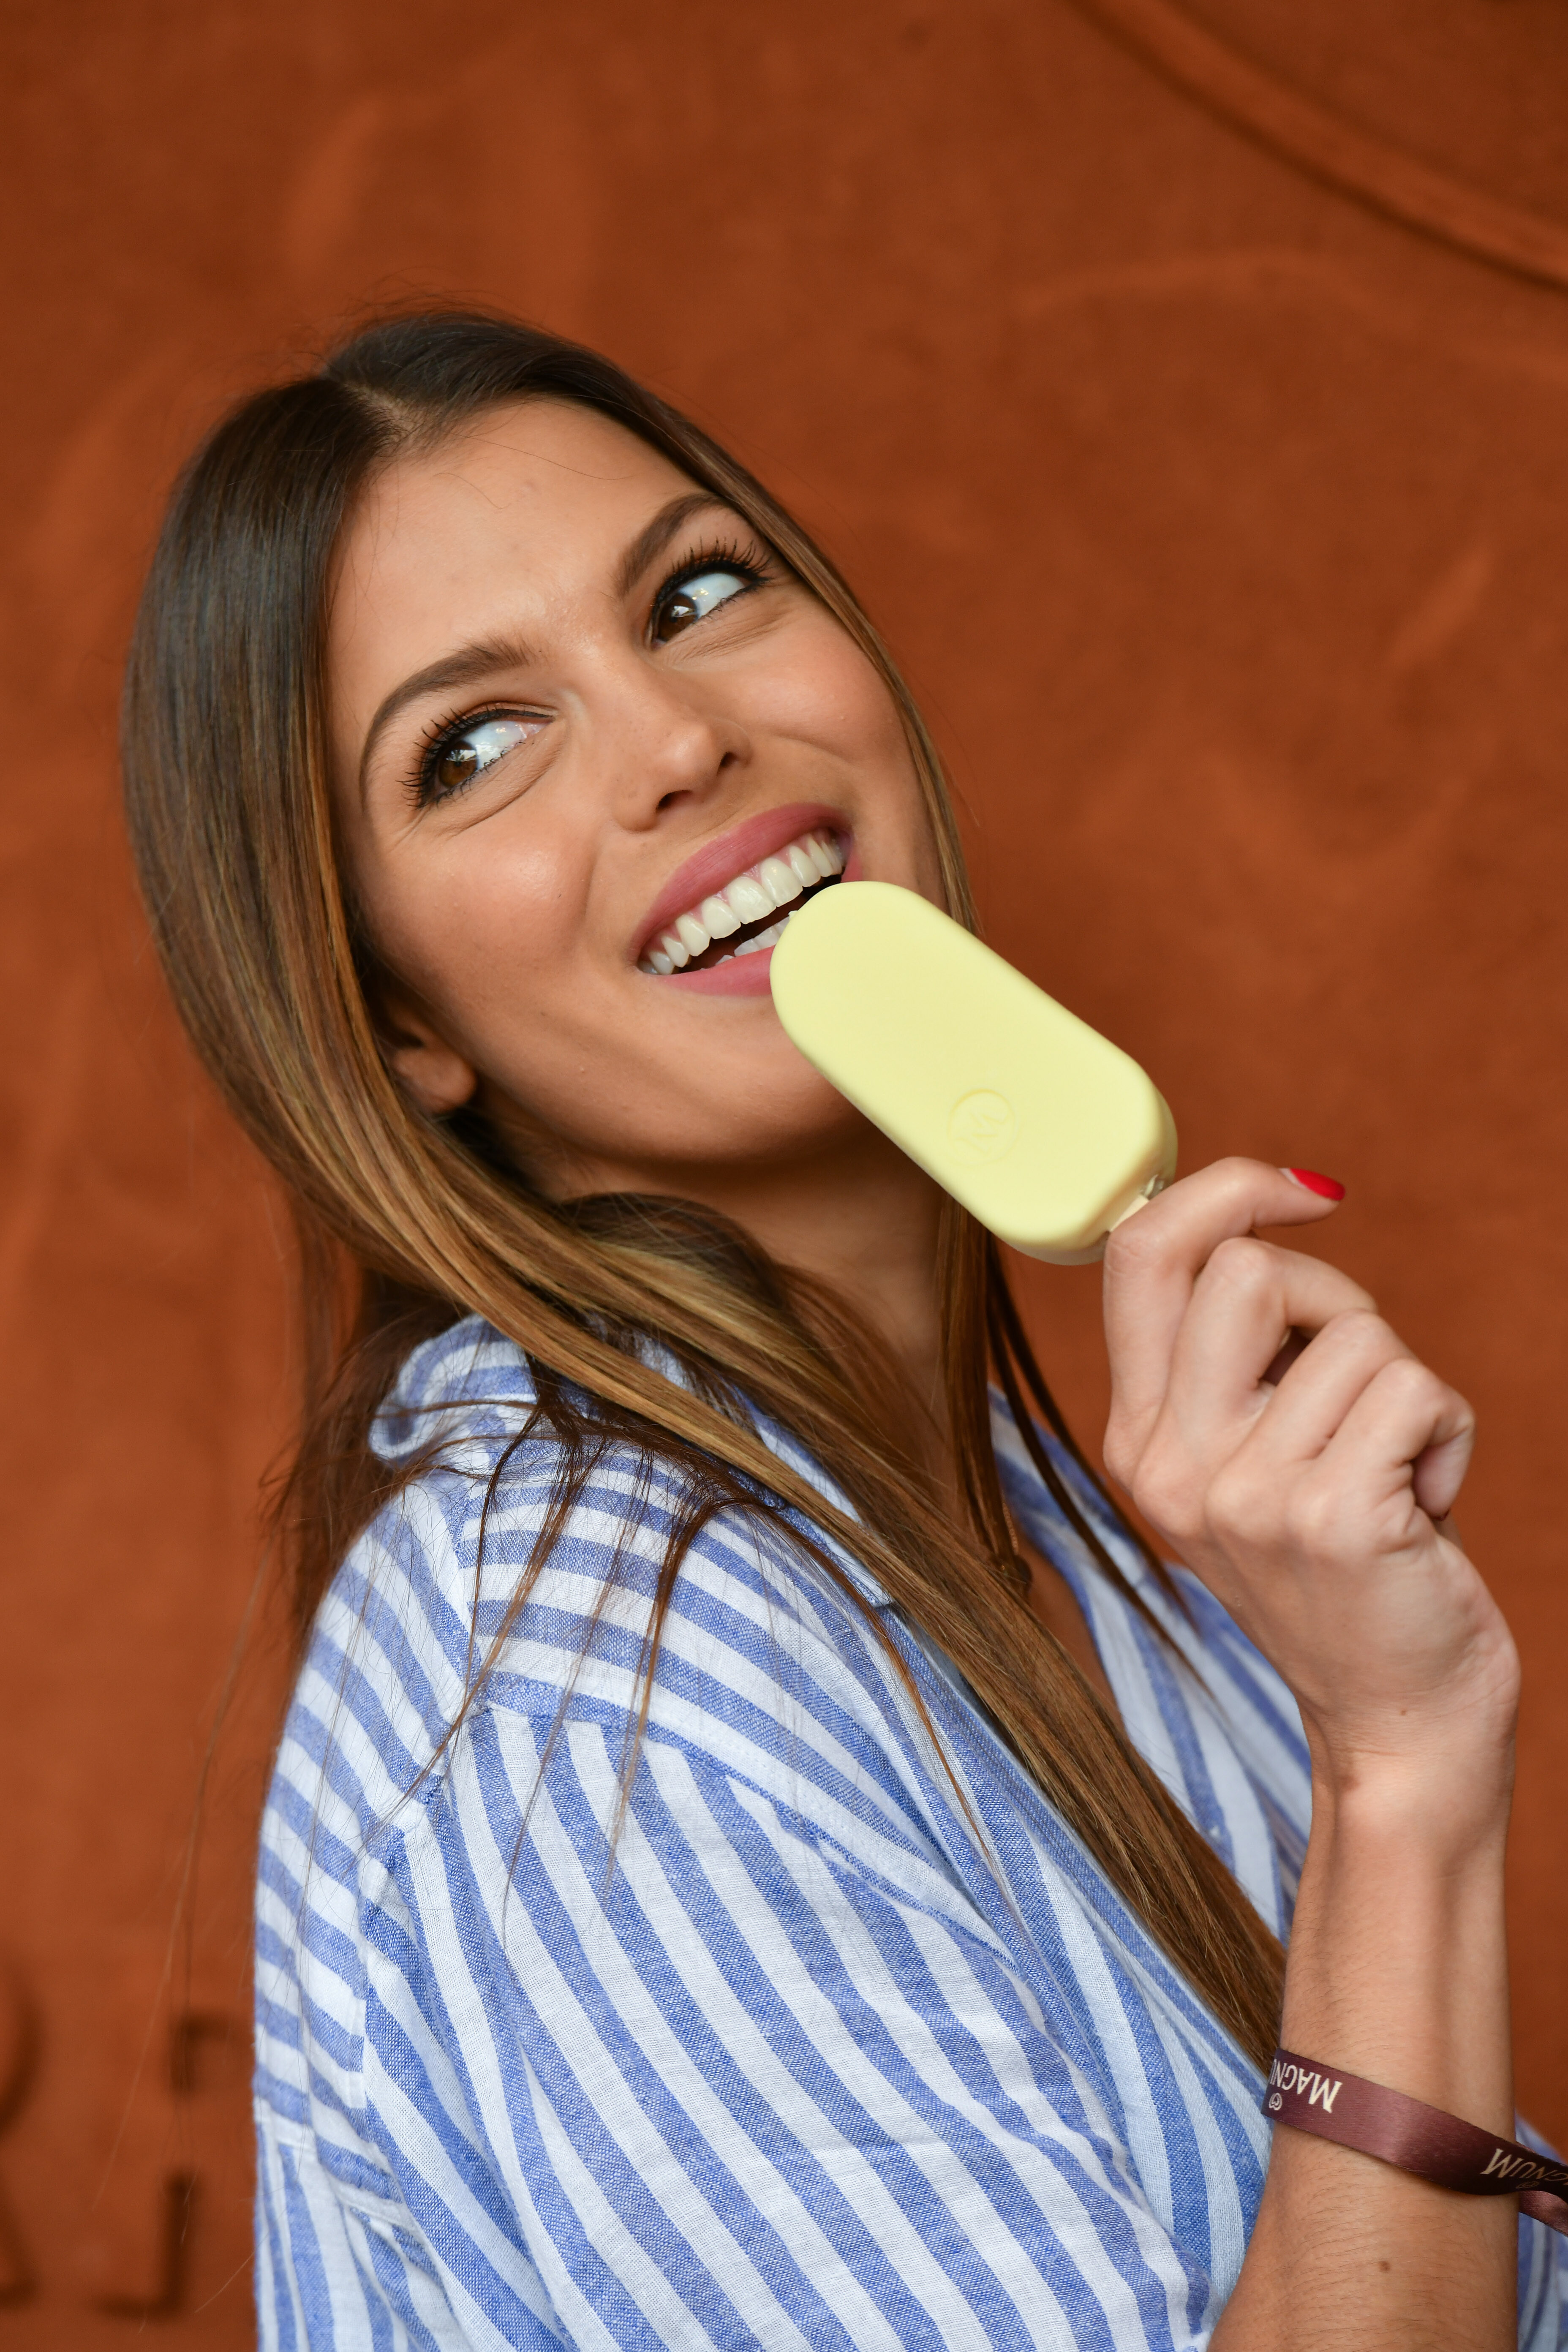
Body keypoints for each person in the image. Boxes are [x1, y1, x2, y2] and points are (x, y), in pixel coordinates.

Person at [121, 310, 1559, 2349]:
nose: (676, 740)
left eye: (695, 595)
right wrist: (1404, 1782)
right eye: (474, 746)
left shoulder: (1076, 1542)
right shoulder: (585, 1680)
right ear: (397, 1023)